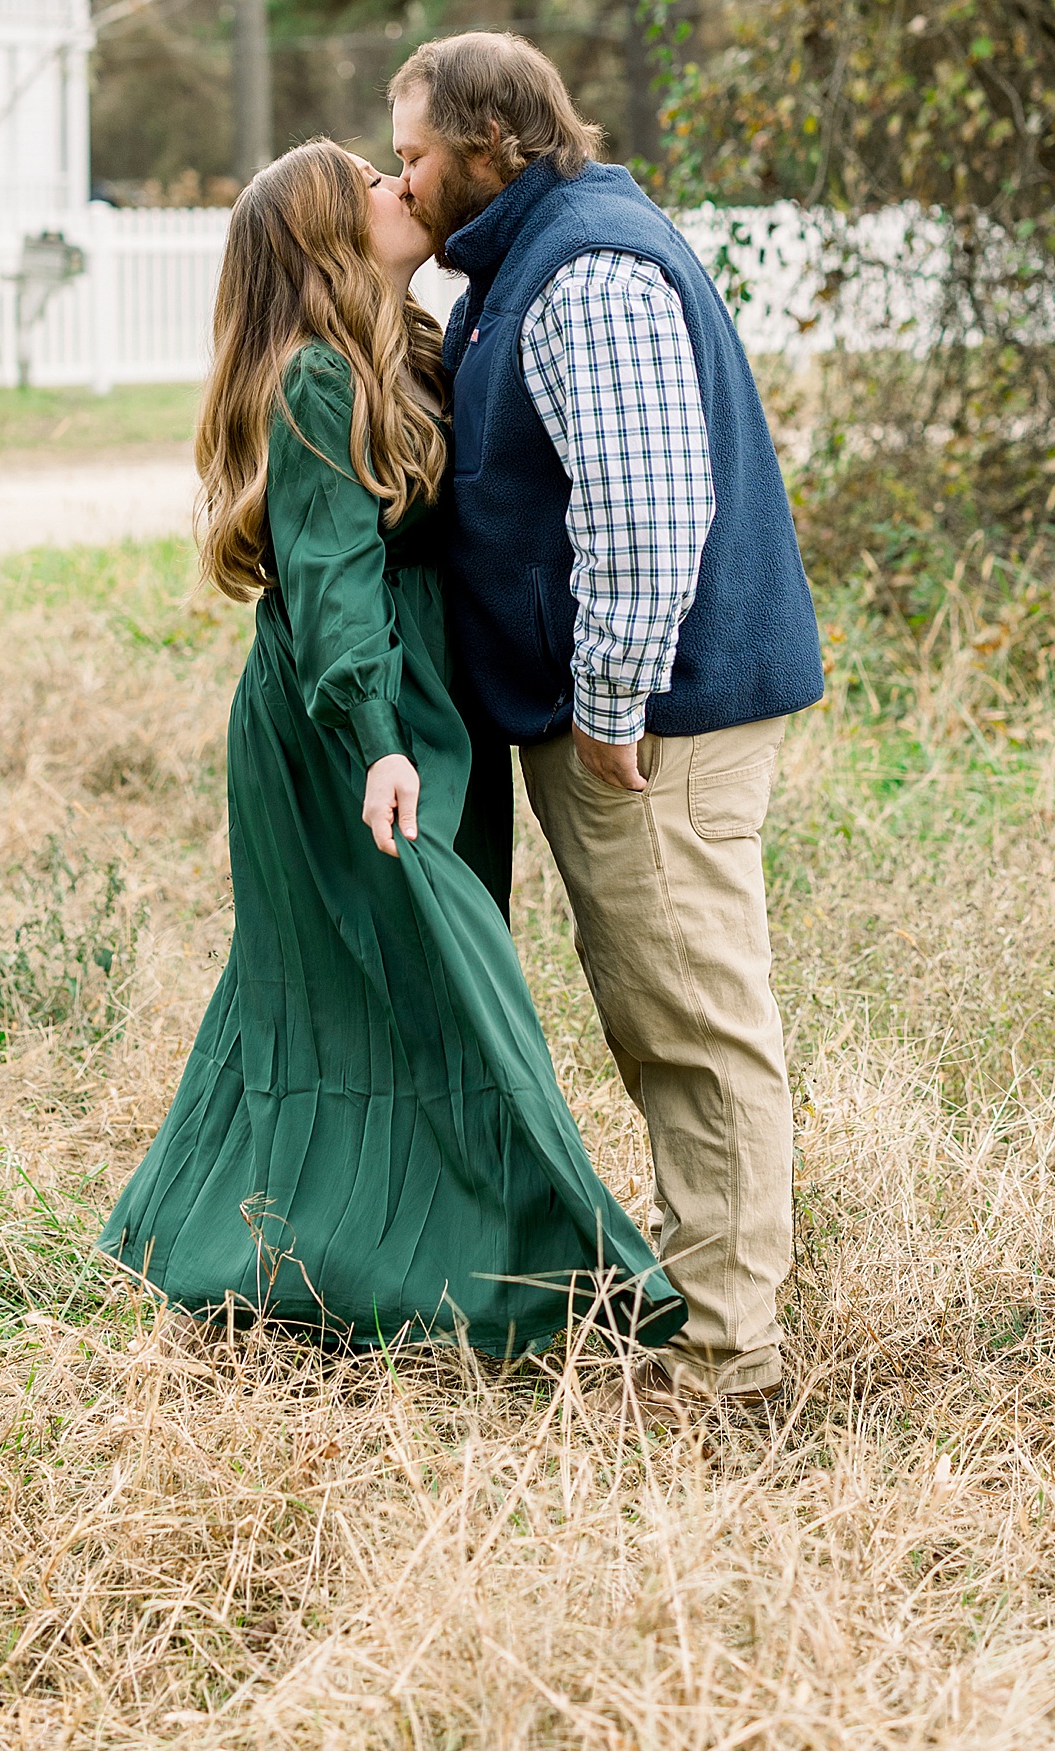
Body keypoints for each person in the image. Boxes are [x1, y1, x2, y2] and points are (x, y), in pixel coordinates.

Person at [97, 138, 686, 1364]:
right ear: (326, 238)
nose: (395, 185)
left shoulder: (411, 347)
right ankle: (558, 1279)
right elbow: (330, 579)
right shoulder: (315, 378)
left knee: (393, 984)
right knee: (424, 983)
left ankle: (325, 1264)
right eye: (367, 181)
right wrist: (377, 739)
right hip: (352, 727)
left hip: (430, 715)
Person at [389, 34, 825, 1408]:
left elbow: (646, 512)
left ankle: (728, 1358)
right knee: (662, 1006)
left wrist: (611, 704)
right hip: (630, 712)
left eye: (413, 153)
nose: (404, 178)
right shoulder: (532, 255)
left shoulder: (587, 270)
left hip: (656, 720)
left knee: (692, 1015)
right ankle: (714, 1296)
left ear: (488, 143)